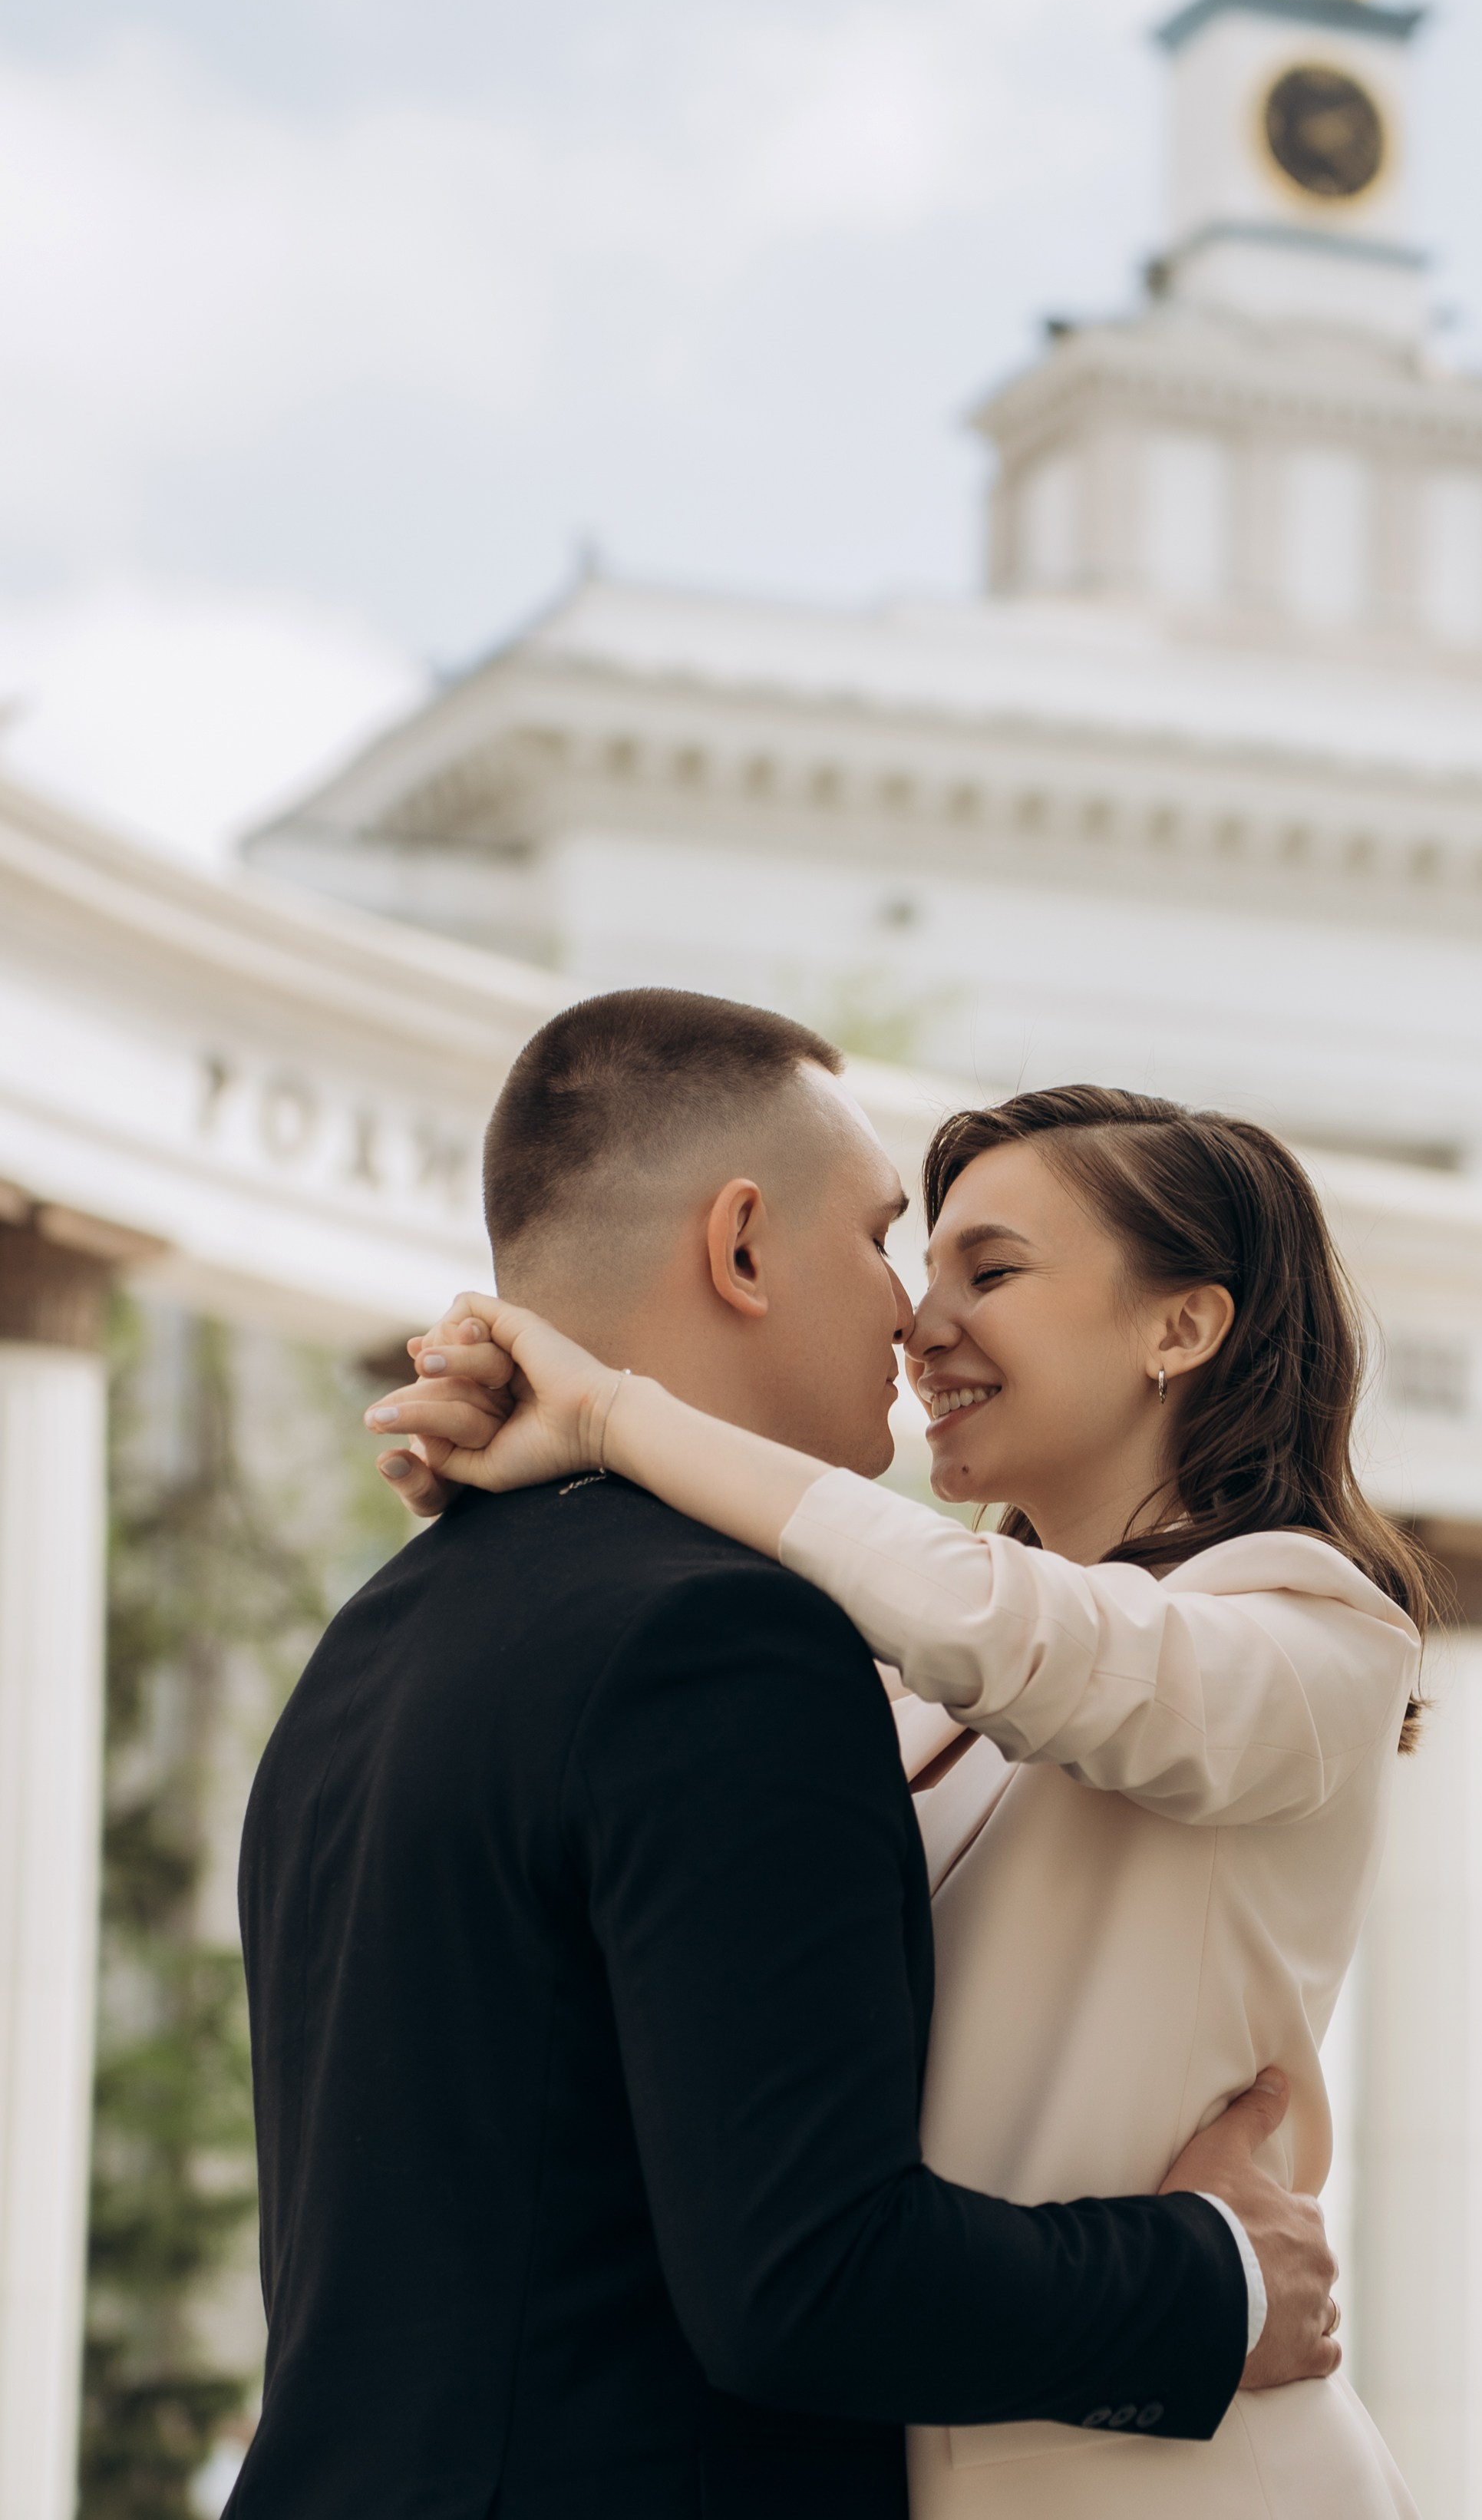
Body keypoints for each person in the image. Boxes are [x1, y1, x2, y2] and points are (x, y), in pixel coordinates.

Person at [231, 991, 1339, 2520]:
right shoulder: (724, 1646)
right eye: (888, 1240)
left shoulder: (385, 1633)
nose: (910, 1314)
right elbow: (809, 2275)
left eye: (982, 1269)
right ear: (741, 1244)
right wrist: (1206, 2277)